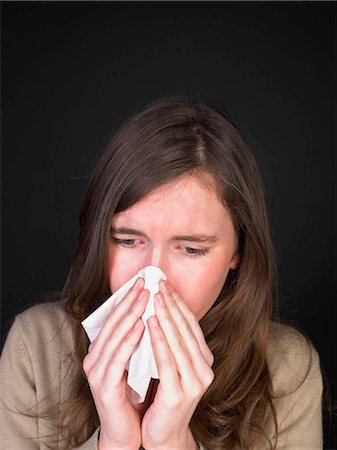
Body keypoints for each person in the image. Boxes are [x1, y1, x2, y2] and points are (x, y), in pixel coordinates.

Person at [0, 97, 323, 450]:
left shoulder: (286, 368)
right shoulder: (37, 345)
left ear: (238, 253)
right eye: (127, 240)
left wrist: (172, 442)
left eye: (192, 249)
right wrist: (114, 442)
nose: (153, 277)